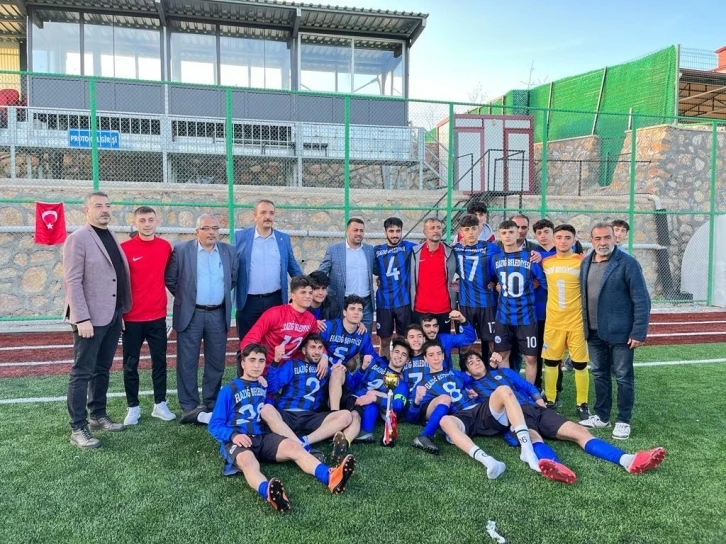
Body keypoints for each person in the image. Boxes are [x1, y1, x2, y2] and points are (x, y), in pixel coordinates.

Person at [460, 350, 666, 478]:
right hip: (513, 418)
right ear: (467, 371)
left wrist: (541, 404)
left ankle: (627, 459)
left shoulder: (504, 372)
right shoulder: (469, 386)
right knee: (534, 438)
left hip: (535, 409)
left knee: (580, 432)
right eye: (470, 362)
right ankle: (556, 467)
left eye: (477, 359)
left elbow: (527, 387)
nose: (476, 362)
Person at [208, 343, 357, 513]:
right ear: (243, 363)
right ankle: (269, 492)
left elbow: (270, 407)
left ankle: (330, 476)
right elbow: (214, 425)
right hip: (240, 438)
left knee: (295, 447)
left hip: (264, 437)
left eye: (261, 361)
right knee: (248, 461)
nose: (256, 365)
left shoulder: (263, 386)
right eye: (252, 360)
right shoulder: (229, 389)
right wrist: (233, 435)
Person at [409, 342, 542, 477]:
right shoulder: (421, 384)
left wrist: (491, 366)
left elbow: (478, 375)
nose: (436, 358)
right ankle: (489, 462)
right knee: (445, 421)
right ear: (425, 358)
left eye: (438, 354)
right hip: (460, 416)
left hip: (478, 409)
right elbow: (412, 416)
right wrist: (417, 400)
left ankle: (527, 450)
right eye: (431, 355)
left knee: (504, 390)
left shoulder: (456, 373)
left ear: (443, 356)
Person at [63, 191, 132, 448]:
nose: (105, 210)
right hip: (89, 319)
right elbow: (72, 281)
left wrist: (119, 313)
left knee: (102, 368)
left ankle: (98, 415)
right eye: (98, 205)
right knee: (82, 372)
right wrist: (82, 318)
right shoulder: (78, 238)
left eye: (108, 205)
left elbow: (115, 278)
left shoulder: (110, 235)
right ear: (87, 210)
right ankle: (78, 427)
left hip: (113, 315)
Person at [580, 223, 651, 440]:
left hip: (621, 333)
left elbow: (642, 299)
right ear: (591, 240)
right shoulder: (586, 262)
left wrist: (638, 332)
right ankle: (602, 416)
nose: (603, 242)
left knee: (623, 377)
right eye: (598, 238)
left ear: (614, 238)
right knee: (599, 374)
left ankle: (623, 420)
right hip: (593, 332)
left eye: (607, 237)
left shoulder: (628, 263)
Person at [165, 214, 238, 425]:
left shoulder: (229, 251)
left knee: (216, 361)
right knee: (187, 361)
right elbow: (171, 279)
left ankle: (211, 402)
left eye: (215, 228)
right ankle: (189, 406)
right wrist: (187, 298)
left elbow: (232, 279)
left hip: (218, 313)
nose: (211, 232)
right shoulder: (182, 250)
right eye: (206, 228)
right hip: (191, 313)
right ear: (197, 231)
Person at [266, 334, 359, 465]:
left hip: (309, 417)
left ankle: (304, 441)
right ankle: (304, 447)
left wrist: (344, 372)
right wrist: (275, 361)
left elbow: (349, 387)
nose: (316, 351)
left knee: (346, 416)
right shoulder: (292, 365)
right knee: (266, 410)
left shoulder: (326, 369)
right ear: (304, 350)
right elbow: (272, 388)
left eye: (320, 348)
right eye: (313, 347)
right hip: (287, 413)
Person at [120, 206, 175, 425]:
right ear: (134, 223)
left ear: (156, 221)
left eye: (150, 220)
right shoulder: (125, 249)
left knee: (159, 362)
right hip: (132, 318)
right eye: (142, 220)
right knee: (130, 364)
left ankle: (160, 404)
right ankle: (133, 407)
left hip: (157, 317)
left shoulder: (165, 247)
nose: (147, 224)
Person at [234, 200, 302, 355]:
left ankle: (272, 371)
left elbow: (293, 266)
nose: (268, 216)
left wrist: (305, 288)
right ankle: (244, 372)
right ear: (255, 215)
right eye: (263, 212)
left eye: (271, 213)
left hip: (275, 301)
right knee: (247, 346)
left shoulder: (283, 239)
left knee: (274, 345)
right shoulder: (241, 237)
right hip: (248, 303)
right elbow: (232, 266)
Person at [541, 224, 592, 421]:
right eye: (559, 237)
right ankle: (550, 399)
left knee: (580, 364)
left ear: (574, 240)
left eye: (567, 238)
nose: (563, 241)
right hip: (553, 321)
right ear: (554, 240)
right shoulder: (546, 262)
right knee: (551, 362)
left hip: (576, 322)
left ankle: (582, 404)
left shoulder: (582, 262)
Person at [491, 220, 547, 382]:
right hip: (503, 317)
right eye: (504, 233)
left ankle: (529, 393)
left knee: (530, 358)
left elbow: (544, 283)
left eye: (511, 232)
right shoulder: (495, 259)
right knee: (503, 355)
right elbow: (493, 280)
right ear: (500, 235)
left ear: (518, 234)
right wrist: (496, 286)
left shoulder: (530, 258)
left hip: (526, 317)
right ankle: (508, 390)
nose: (508, 236)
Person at [241, 275, 323, 374]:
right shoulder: (275, 314)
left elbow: (317, 342)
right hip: (266, 367)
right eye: (303, 292)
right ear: (292, 295)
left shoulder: (311, 319)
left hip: (289, 369)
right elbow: (249, 340)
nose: (308, 296)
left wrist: (324, 357)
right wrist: (255, 368)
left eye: (310, 293)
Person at [344, 338, 412, 443]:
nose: (399, 356)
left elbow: (398, 405)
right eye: (397, 352)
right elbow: (353, 384)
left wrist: (375, 398)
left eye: (403, 355)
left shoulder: (401, 384)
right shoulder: (376, 363)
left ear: (407, 360)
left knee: (373, 402)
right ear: (391, 353)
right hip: (351, 397)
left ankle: (365, 432)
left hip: (365, 407)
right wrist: (362, 369)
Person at [453, 214, 500, 360]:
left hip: (488, 303)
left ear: (479, 229)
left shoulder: (491, 248)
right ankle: (464, 372)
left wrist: (496, 282)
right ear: (461, 231)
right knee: (465, 343)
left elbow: (503, 266)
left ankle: (492, 372)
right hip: (466, 304)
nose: (471, 233)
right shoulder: (455, 249)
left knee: (492, 343)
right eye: (467, 229)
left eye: (474, 228)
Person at [318, 217, 375, 332]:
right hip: (341, 302)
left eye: (361, 230)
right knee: (339, 336)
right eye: (355, 230)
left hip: (365, 304)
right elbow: (322, 272)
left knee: (364, 338)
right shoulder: (334, 250)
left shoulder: (369, 250)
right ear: (347, 231)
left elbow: (377, 270)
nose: (358, 233)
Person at [372, 217, 416, 358]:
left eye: (398, 231)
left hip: (404, 303)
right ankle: (384, 367)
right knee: (385, 341)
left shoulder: (409, 247)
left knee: (405, 339)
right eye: (391, 231)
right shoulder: (376, 251)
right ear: (385, 232)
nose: (395, 234)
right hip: (384, 303)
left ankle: (405, 367)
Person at [531, 219, 562, 399]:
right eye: (539, 233)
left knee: (554, 354)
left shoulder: (563, 254)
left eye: (546, 232)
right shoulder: (531, 255)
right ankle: (536, 387)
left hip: (557, 312)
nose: (543, 236)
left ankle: (556, 390)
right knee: (535, 353)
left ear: (553, 233)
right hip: (537, 311)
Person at [409, 217, 457, 330]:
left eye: (438, 228)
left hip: (443, 309)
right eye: (432, 228)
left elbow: (461, 272)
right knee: (420, 341)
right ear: (424, 232)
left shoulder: (450, 252)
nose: (436, 230)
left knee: (442, 341)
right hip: (420, 309)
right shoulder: (415, 252)